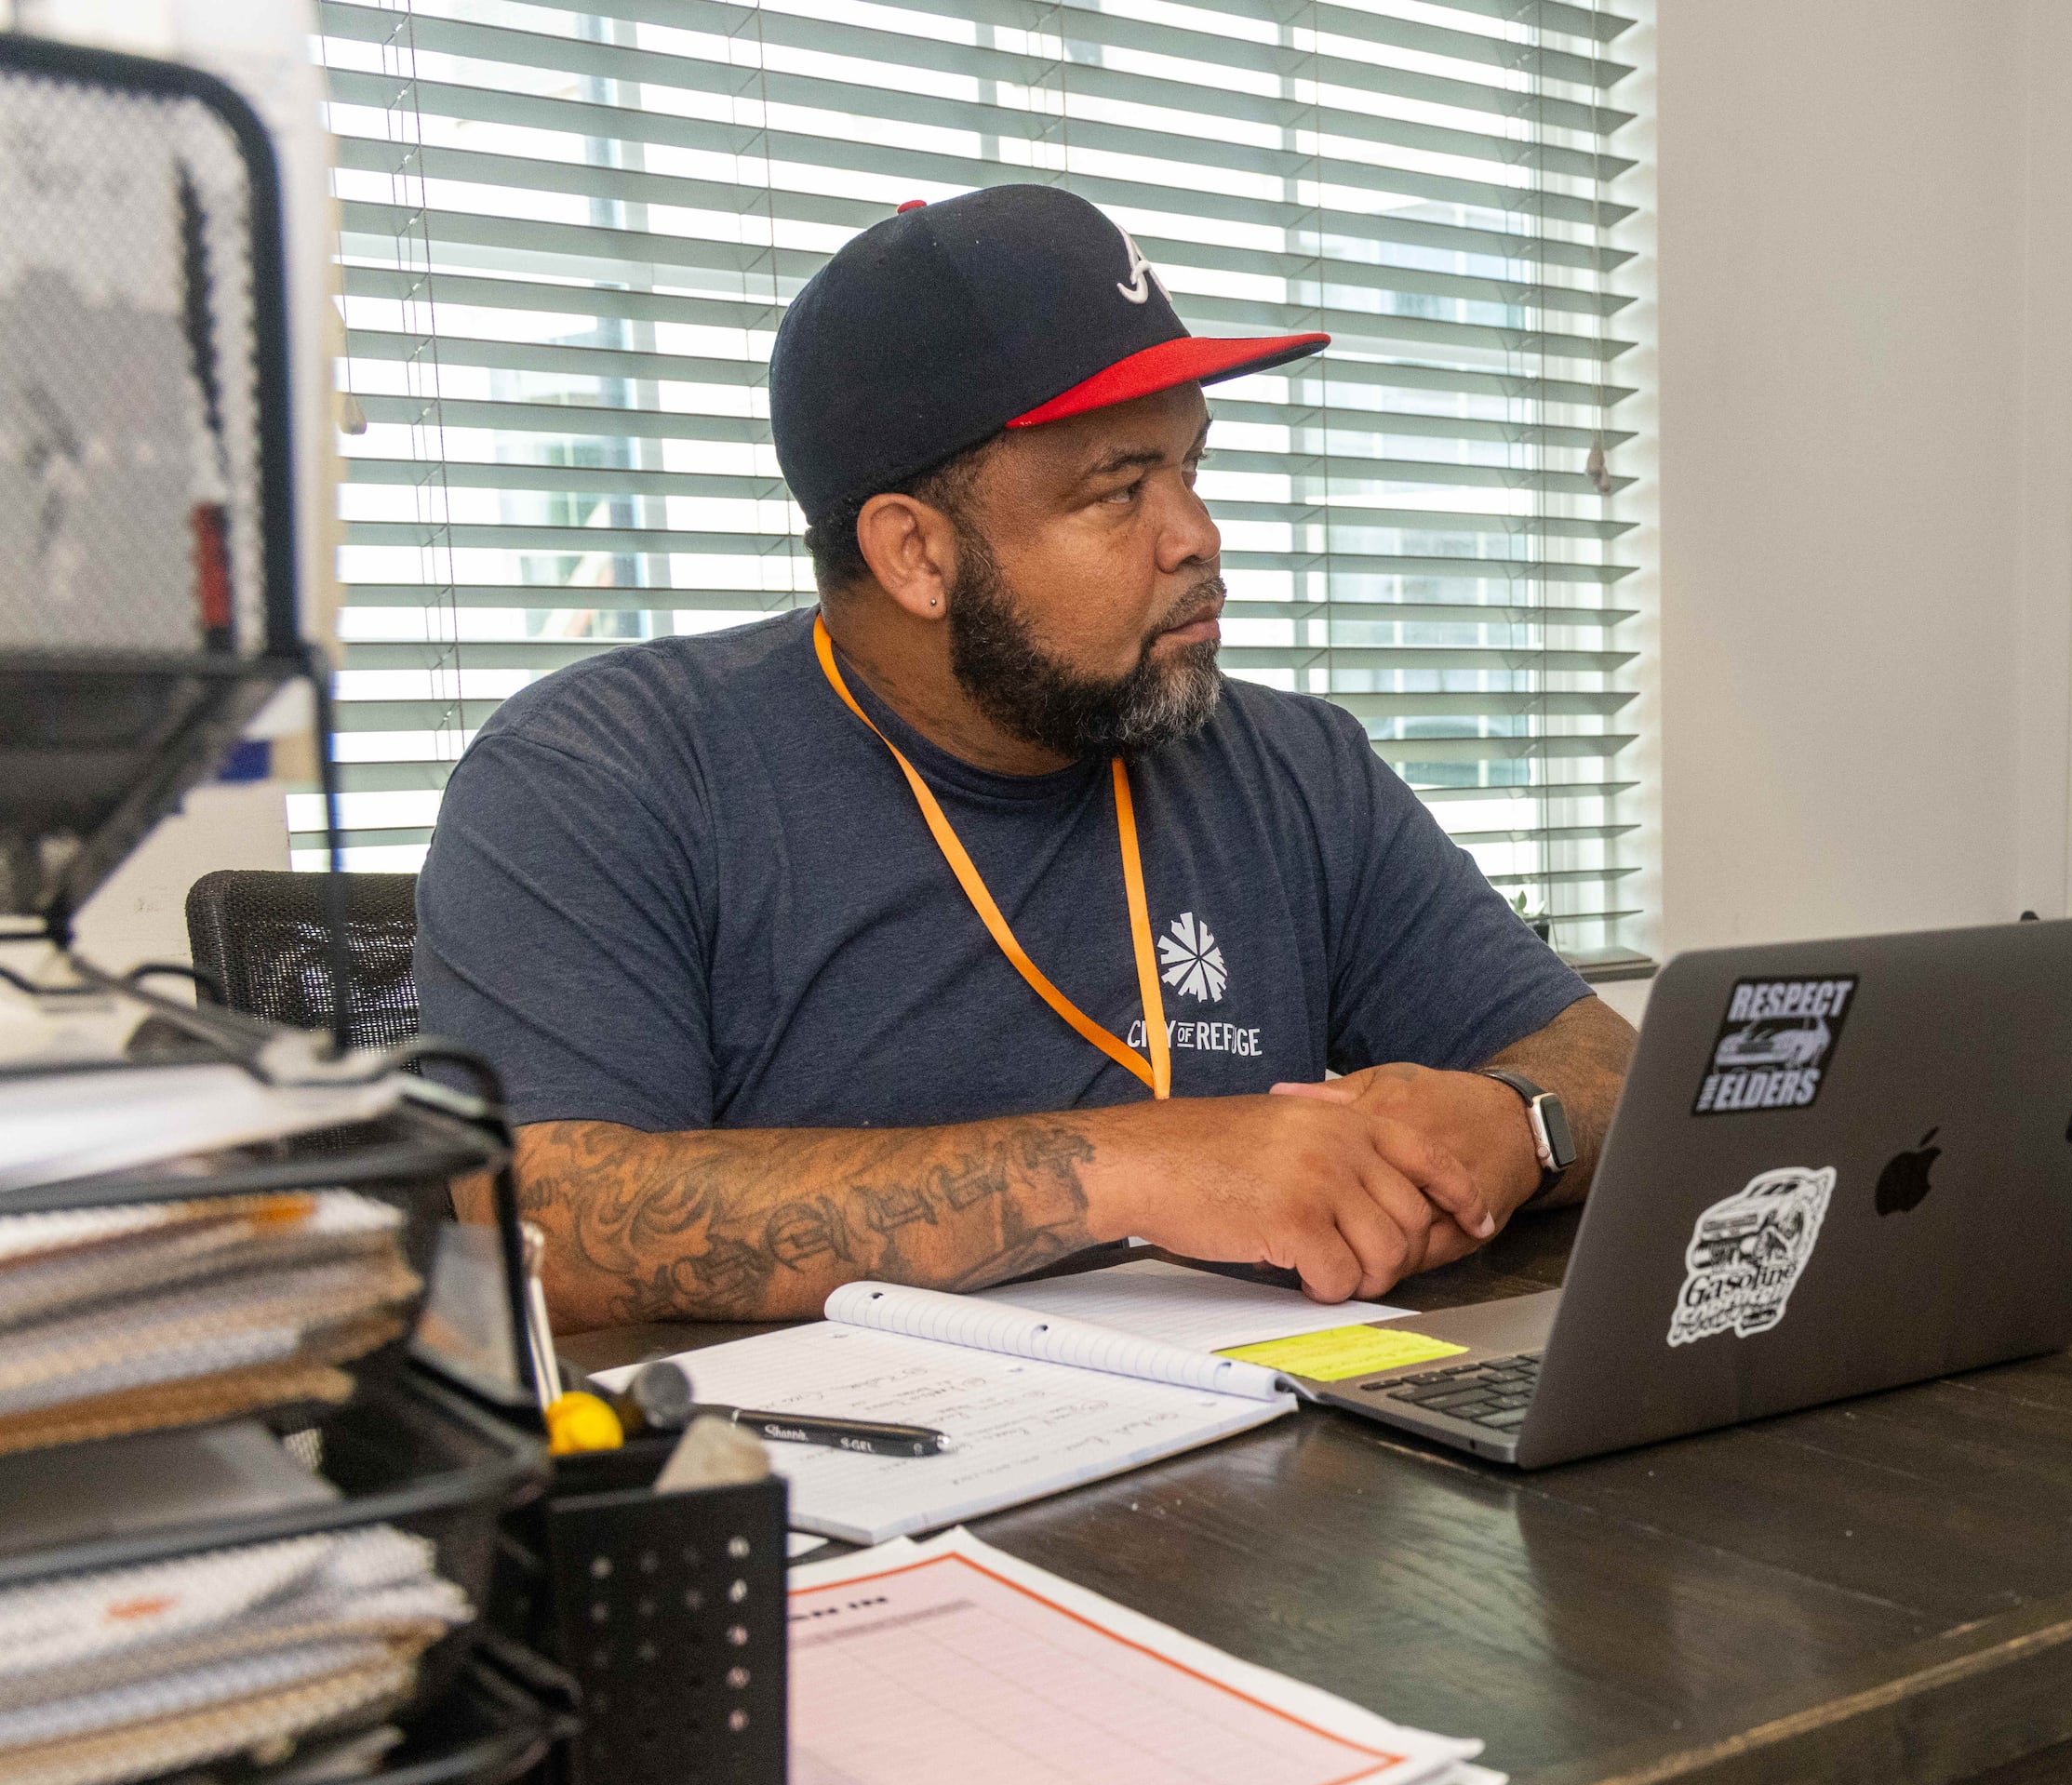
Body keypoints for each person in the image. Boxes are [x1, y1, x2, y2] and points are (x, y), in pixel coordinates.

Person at [416, 183, 1632, 1330]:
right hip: (853, 1506)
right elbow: (545, 1222)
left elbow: (1603, 1067)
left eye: (1192, 468)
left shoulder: (1290, 763)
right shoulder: (606, 771)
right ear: (917, 556)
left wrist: (1517, 1126)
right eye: (1119, 490)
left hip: (1266, 1473)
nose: (1197, 537)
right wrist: (1132, 1169)